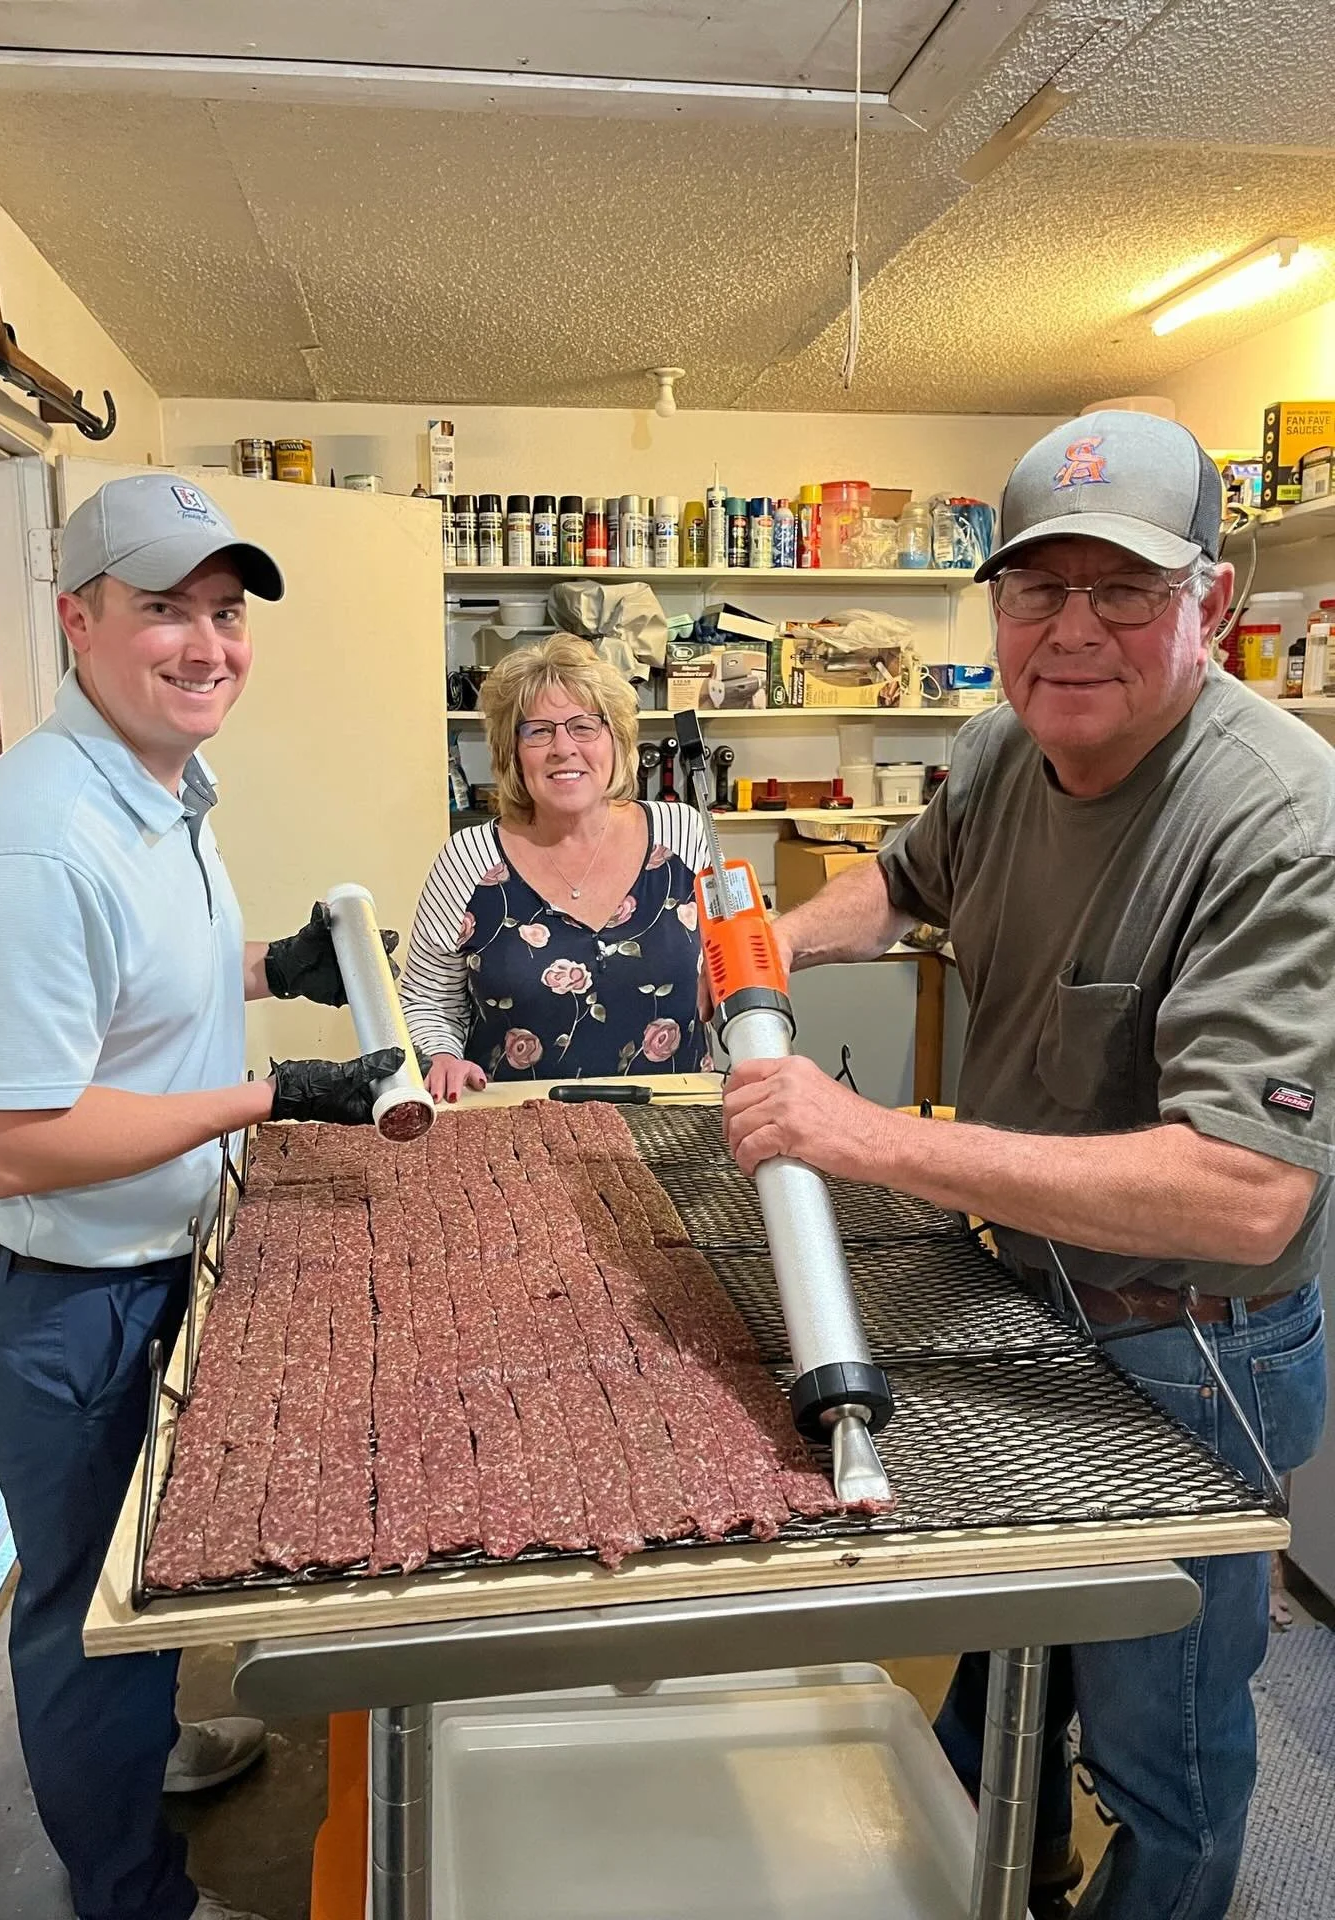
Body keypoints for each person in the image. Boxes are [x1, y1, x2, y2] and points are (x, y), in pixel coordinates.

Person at [722, 411, 1333, 1920]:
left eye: (1121, 590)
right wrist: (770, 944)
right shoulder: (1008, 742)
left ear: (1215, 600)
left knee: (1162, 1750)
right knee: (1001, 1675)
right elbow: (904, 883)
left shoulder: (1281, 823)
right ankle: (1003, 1876)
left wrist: (863, 1137)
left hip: (1196, 1346)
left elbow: (1246, 1191)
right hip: (1026, 1301)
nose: (1072, 633)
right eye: (1033, 589)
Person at [0, 475, 406, 1920]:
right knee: (87, 1622)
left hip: (146, 1259)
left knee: (143, 1592)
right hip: (59, 1298)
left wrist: (271, 970)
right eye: (162, 613)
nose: (205, 645)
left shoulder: (158, 790)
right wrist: (276, 1095)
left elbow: (127, 1001)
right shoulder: (31, 841)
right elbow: (14, 1141)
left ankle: (149, 1758)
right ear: (77, 619)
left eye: (224, 612)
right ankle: (136, 1897)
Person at [402, 633, 711, 1096]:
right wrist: (442, 1056)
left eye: (584, 726)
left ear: (617, 740)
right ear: (512, 753)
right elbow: (426, 999)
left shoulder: (683, 834)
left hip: (675, 1128)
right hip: (512, 1133)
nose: (563, 748)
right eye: (538, 730)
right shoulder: (468, 859)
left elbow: (735, 968)